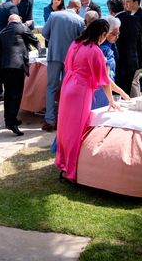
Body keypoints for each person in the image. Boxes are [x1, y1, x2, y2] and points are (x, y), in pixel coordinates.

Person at [54, 19, 123, 182]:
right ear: (102, 34)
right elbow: (104, 80)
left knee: (65, 128)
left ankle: (62, 162)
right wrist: (112, 101)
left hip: (68, 85)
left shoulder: (76, 44)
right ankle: (71, 171)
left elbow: (67, 65)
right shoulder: (95, 51)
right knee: (76, 131)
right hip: (80, 90)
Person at [41, 0, 84, 132]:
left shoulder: (54, 15)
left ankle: (49, 120)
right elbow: (81, 40)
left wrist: (53, 41)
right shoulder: (80, 21)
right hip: (70, 59)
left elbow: (44, 33)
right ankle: (63, 119)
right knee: (66, 89)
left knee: (51, 88)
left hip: (54, 55)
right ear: (77, 8)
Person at [0, 14, 39, 136]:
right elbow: (35, 40)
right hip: (17, 66)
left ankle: (9, 120)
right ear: (18, 20)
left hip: (5, 66)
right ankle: (12, 123)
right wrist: (40, 50)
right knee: (16, 94)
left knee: (8, 94)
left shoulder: (2, 32)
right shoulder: (21, 27)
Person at [115, 0, 142, 96]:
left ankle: (135, 101)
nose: (126, 4)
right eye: (125, 2)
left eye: (128, 2)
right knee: (134, 82)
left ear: (136, 2)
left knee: (133, 82)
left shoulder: (139, 17)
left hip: (138, 58)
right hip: (138, 56)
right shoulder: (135, 15)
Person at [0, 0, 21, 103]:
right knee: (7, 68)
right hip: (5, 42)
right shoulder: (12, 7)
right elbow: (14, 26)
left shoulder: (3, 6)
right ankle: (7, 93)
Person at [92, 16, 129, 109]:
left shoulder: (102, 46)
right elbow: (105, 78)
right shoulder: (105, 50)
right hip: (101, 90)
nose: (117, 36)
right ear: (106, 33)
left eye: (118, 33)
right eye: (114, 34)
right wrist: (123, 94)